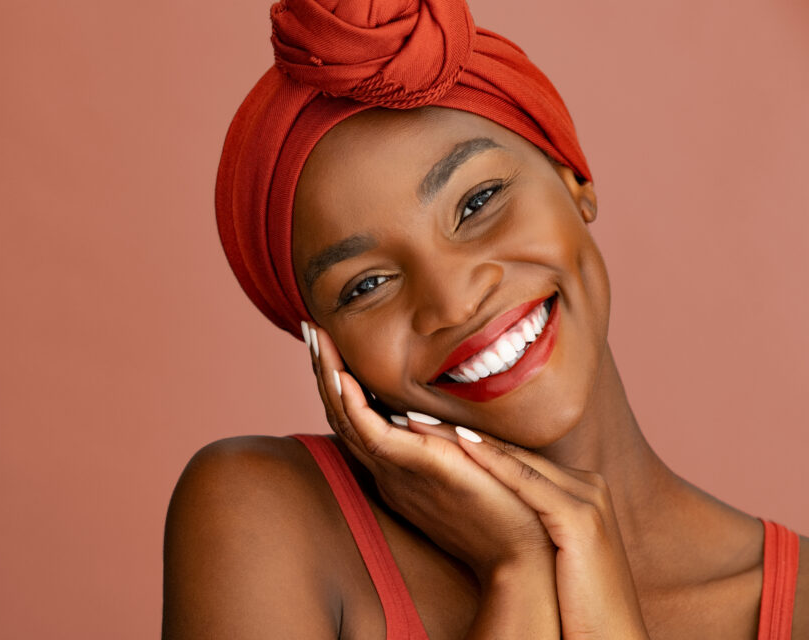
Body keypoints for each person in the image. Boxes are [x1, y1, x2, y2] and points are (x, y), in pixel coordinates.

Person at [163, 0, 807, 637]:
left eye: (477, 203)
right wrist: (518, 569)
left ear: (572, 177)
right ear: (326, 344)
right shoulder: (264, 516)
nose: (454, 302)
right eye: (368, 284)